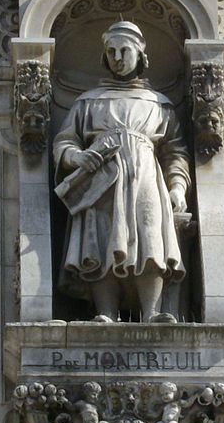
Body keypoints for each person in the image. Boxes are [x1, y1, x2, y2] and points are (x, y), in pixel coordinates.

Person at [53, 21, 190, 322]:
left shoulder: (159, 104)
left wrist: (177, 187)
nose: (117, 57)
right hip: (100, 181)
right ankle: (105, 313)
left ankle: (153, 312)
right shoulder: (87, 102)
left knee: (150, 237)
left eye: (124, 50)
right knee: (101, 241)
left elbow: (174, 152)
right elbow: (64, 141)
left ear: (140, 54)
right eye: (111, 51)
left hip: (146, 180)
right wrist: (77, 157)